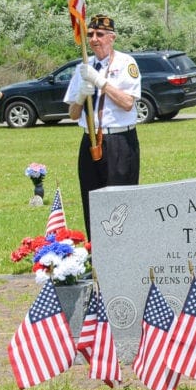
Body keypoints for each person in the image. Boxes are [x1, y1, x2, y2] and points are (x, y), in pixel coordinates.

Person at [64, 14, 141, 238]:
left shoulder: (126, 63)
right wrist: (79, 97)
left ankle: (123, 252)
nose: (95, 39)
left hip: (118, 141)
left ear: (112, 37)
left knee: (119, 200)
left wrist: (101, 82)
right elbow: (72, 114)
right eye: (90, 35)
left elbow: (128, 103)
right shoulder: (83, 67)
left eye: (100, 34)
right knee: (91, 197)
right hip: (89, 140)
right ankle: (95, 252)